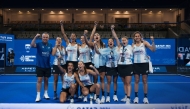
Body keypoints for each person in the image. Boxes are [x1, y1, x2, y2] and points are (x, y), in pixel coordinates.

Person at [84, 21, 106, 103]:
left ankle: (103, 96)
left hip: (102, 65)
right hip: (95, 65)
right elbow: (87, 41)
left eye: (98, 35)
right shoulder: (93, 45)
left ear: (100, 37)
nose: (96, 36)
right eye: (95, 35)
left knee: (102, 79)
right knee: (95, 80)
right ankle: (93, 94)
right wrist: (94, 27)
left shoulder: (104, 45)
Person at [111, 25, 133, 104]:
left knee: (128, 83)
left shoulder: (131, 47)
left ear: (127, 41)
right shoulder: (119, 47)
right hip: (120, 66)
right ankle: (126, 95)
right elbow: (116, 37)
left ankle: (128, 98)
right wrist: (112, 29)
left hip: (128, 66)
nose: (124, 41)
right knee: (124, 82)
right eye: (122, 40)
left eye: (125, 40)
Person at [132, 31, 156, 104]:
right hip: (136, 64)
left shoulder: (144, 43)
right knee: (136, 81)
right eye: (136, 36)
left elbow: (153, 50)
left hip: (144, 64)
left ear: (140, 37)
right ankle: (136, 97)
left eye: (138, 36)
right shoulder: (132, 45)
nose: (137, 37)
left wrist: (152, 41)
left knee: (144, 80)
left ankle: (145, 98)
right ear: (134, 38)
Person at [94, 37, 119, 103]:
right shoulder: (105, 49)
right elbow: (97, 52)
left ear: (113, 43)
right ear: (108, 43)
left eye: (111, 41)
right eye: (109, 41)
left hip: (116, 67)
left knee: (115, 81)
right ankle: (107, 96)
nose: (110, 42)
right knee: (108, 81)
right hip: (108, 66)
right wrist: (95, 46)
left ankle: (115, 95)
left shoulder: (116, 49)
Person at [31, 33, 53, 102]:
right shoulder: (39, 44)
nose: (45, 38)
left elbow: (52, 53)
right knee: (39, 80)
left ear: (48, 38)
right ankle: (38, 95)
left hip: (47, 66)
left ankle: (45, 93)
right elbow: (32, 45)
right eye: (44, 37)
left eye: (46, 37)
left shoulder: (50, 45)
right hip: (39, 66)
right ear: (42, 38)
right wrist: (35, 37)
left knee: (46, 80)